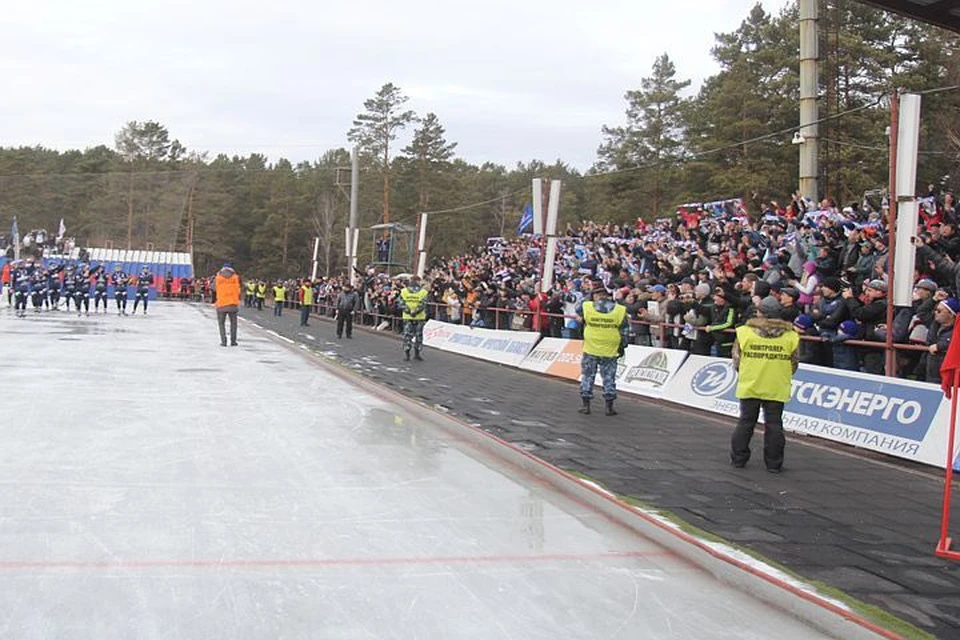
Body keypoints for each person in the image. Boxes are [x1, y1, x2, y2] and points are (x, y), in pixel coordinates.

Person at [730, 296, 800, 473]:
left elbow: (736, 360)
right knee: (774, 424)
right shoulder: (791, 336)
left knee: (746, 422)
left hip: (750, 383)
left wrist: (748, 371)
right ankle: (774, 464)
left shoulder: (744, 332)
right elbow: (794, 363)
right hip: (776, 384)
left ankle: (739, 459)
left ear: (761, 313)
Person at [576, 278, 629, 416]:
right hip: (610, 348)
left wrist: (589, 296)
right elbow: (624, 331)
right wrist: (622, 346)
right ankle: (609, 406)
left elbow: (577, 309)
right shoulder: (619, 310)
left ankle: (586, 405)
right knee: (609, 377)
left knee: (588, 375)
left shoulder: (587, 306)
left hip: (591, 347)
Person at [399, 275, 428, 361]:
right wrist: (416, 311)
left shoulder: (404, 291)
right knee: (418, 336)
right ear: (419, 281)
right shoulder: (423, 292)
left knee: (407, 335)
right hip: (419, 317)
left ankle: (407, 354)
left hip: (407, 317)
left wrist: (409, 311)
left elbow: (401, 303)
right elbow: (423, 304)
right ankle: (417, 354)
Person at [214, 263, 241, 347]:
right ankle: (233, 341)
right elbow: (239, 289)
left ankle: (224, 341)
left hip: (221, 303)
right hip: (233, 303)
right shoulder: (235, 277)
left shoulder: (218, 277)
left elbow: (213, 288)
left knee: (221, 324)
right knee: (233, 324)